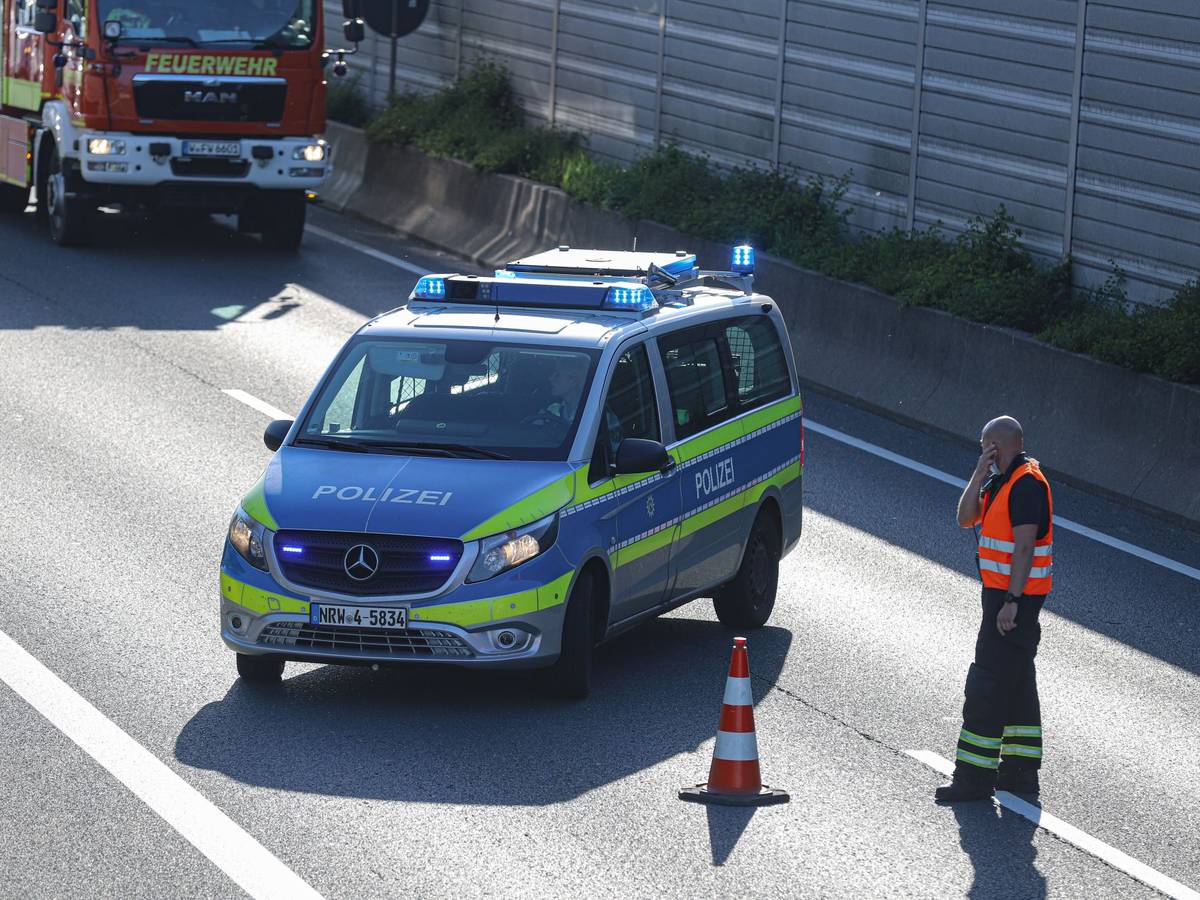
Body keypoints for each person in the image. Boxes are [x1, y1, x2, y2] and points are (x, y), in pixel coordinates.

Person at [936, 415, 1054, 803]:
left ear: (998, 445)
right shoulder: (1000, 481)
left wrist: (1012, 603)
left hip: (1013, 600)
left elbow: (1024, 547)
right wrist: (978, 471)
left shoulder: (1025, 486)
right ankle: (1019, 773)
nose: (981, 451)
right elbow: (964, 517)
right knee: (1017, 682)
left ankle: (973, 778)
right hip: (1004, 597)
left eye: (984, 446)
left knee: (986, 684)